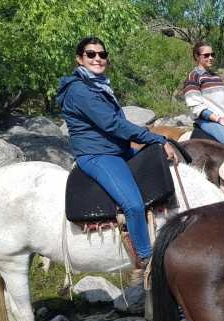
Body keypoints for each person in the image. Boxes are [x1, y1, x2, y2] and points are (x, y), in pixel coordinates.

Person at [57, 36, 176, 265]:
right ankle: (145, 260)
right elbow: (112, 124)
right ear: (79, 59)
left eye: (102, 54)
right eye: (91, 54)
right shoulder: (80, 91)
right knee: (132, 204)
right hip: (98, 155)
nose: (97, 58)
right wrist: (155, 138)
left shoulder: (98, 86)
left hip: (115, 149)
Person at [183, 41, 224, 146]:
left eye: (213, 54)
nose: (211, 57)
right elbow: (196, 107)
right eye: (206, 55)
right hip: (208, 121)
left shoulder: (216, 77)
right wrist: (219, 119)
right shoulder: (193, 76)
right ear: (197, 56)